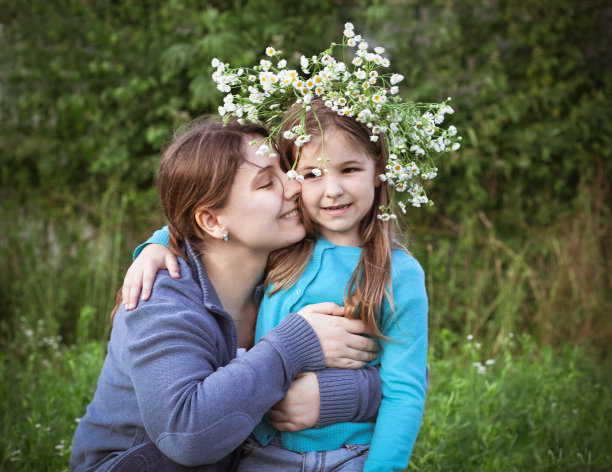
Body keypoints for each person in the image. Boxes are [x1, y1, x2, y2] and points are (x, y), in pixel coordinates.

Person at [123, 23, 460, 471]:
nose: (330, 191)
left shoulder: (387, 270)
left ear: (379, 169)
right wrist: (159, 241)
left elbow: (406, 387)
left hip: (350, 457)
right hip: (258, 455)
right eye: (311, 174)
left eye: (349, 170)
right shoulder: (285, 253)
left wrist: (341, 407)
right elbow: (212, 220)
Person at [70, 119, 383, 472]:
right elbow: (186, 437)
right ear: (213, 222)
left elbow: (400, 370)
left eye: (287, 169)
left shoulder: (293, 267)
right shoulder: (162, 297)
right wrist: (292, 346)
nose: (295, 186)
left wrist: (333, 397)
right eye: (267, 183)